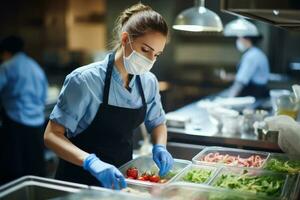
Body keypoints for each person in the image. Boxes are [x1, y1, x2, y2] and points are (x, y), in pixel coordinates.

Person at [44, 3, 174, 190]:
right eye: (145, 50)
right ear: (125, 39)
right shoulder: (84, 80)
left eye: (157, 54)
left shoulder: (148, 82)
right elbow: (51, 135)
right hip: (78, 182)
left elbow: (157, 122)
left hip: (121, 181)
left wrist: (160, 146)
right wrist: (90, 162)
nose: (150, 59)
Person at [0, 35, 48, 185]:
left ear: (6, 52)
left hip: (15, 120)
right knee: (34, 165)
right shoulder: (34, 65)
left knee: (15, 168)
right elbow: (43, 94)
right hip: (37, 121)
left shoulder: (7, 66)